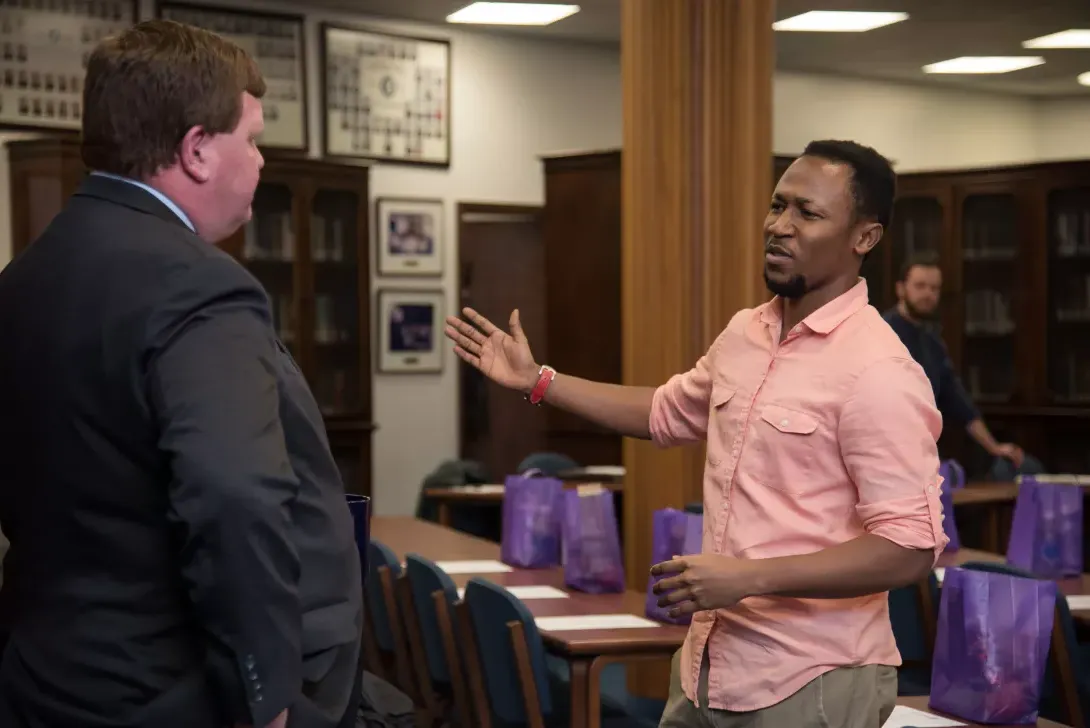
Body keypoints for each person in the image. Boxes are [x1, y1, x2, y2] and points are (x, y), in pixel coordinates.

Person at [445, 139, 948, 728]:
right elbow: (664, 412)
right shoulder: (745, 332)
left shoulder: (879, 370)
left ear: (865, 237)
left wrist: (750, 577)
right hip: (709, 663)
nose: (779, 226)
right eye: (777, 205)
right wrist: (539, 382)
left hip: (814, 677)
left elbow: (910, 548)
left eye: (807, 213)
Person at [0, 20, 362, 728]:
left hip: (47, 675)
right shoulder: (196, 285)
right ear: (197, 150)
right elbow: (234, 494)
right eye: (252, 139)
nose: (260, 162)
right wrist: (268, 695)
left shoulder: (21, 281)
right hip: (178, 692)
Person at [883, 252, 1026, 473]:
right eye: (920, 286)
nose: (928, 294)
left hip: (923, 448)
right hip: (886, 449)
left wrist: (994, 446)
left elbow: (958, 400)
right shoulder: (881, 333)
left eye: (934, 288)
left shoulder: (933, 341)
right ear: (901, 289)